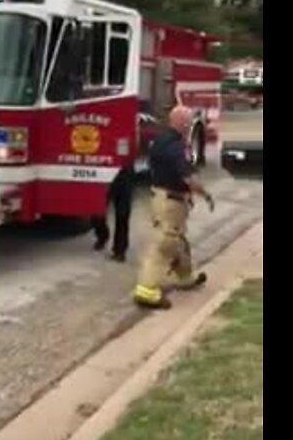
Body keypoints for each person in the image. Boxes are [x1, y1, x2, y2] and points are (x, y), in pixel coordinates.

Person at [133, 106, 214, 310]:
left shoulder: (160, 140)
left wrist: (186, 194)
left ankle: (186, 277)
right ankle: (147, 290)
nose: (188, 127)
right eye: (186, 123)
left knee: (178, 241)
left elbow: (168, 172)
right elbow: (187, 177)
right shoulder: (175, 146)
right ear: (179, 123)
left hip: (164, 196)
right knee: (165, 243)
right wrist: (204, 194)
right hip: (170, 201)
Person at [92, 163, 134, 262]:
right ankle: (102, 235)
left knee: (122, 213)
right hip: (102, 168)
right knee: (96, 210)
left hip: (124, 172)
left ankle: (120, 251)